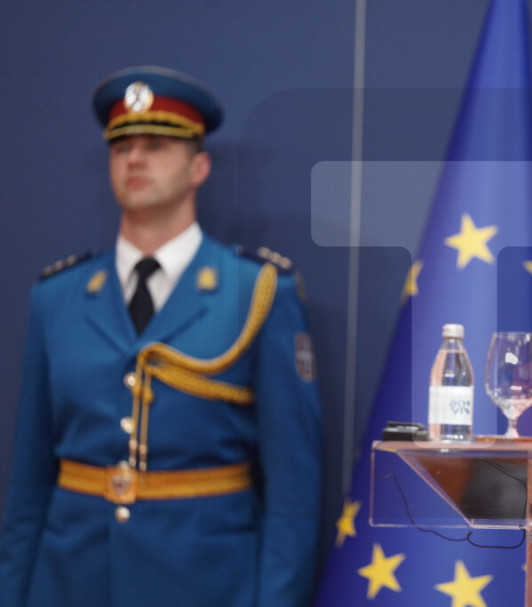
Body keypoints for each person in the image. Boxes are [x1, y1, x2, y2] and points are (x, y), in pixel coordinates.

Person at [0, 66, 323, 607]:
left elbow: (294, 493)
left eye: (156, 145)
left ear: (199, 167)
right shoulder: (57, 297)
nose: (135, 159)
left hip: (206, 584)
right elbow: (28, 484)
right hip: (70, 583)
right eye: (121, 146)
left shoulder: (258, 291)